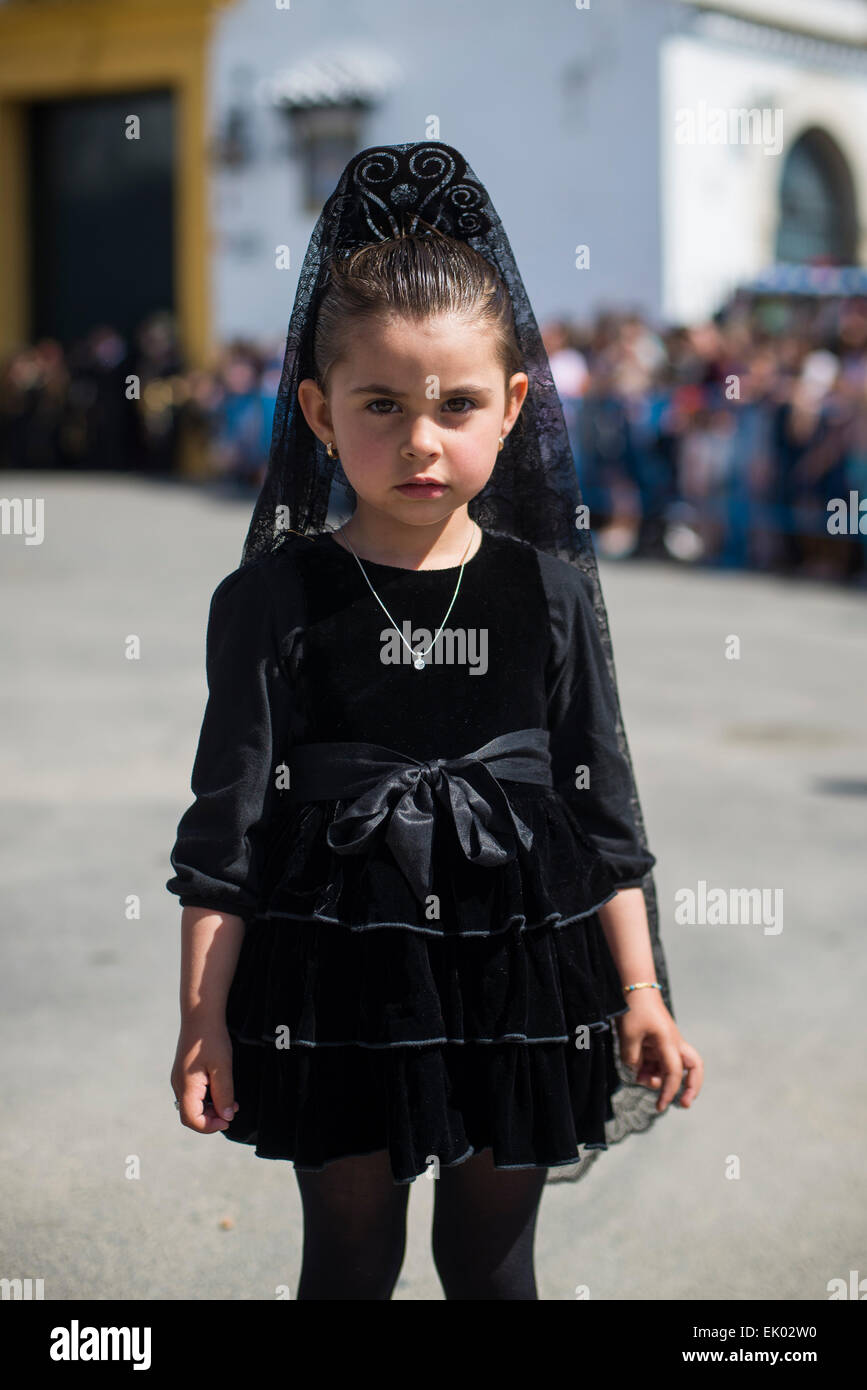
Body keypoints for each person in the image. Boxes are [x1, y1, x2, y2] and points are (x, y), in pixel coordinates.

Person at [166, 141, 703, 1301]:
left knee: (493, 1260)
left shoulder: (546, 590)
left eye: (456, 404)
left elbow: (601, 811)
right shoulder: (274, 597)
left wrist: (642, 992)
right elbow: (225, 833)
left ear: (512, 406)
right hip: (339, 977)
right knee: (351, 1258)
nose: (420, 439)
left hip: (524, 973)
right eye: (381, 404)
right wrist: (203, 1016)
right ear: (317, 409)